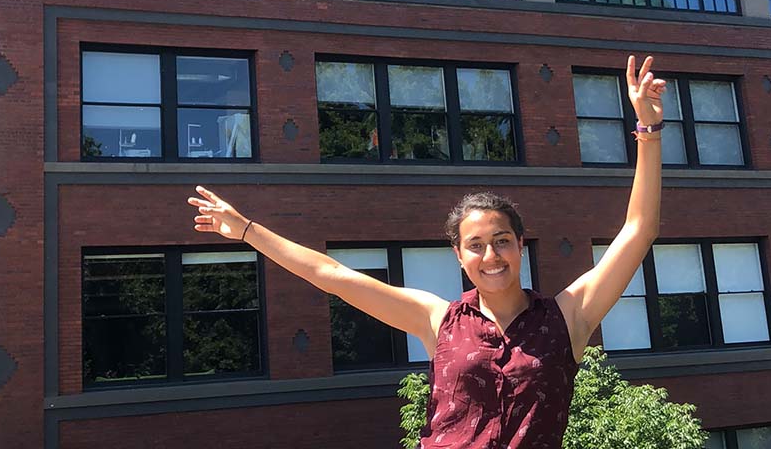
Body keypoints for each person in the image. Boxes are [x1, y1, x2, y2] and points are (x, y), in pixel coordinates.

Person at [187, 55, 666, 449]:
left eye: (501, 241)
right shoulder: (438, 320)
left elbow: (639, 230)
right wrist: (247, 230)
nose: (491, 255)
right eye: (475, 245)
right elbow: (330, 274)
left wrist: (647, 130)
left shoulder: (568, 317)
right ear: (460, 257)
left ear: (521, 246)